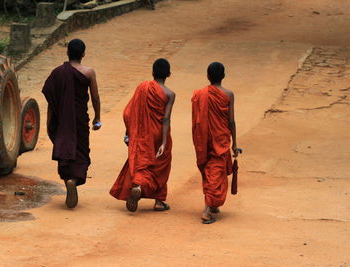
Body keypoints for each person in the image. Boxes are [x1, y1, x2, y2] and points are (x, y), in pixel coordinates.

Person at [110, 58, 175, 212]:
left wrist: (130, 132)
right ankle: (159, 201)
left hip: (142, 133)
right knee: (161, 164)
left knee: (142, 161)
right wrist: (164, 143)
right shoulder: (170, 94)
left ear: (153, 72)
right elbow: (166, 118)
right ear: (169, 74)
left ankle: (138, 185)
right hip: (159, 133)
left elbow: (128, 112)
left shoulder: (143, 87)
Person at [42, 39, 101, 209]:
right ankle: (74, 180)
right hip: (80, 119)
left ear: (67, 52)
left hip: (62, 120)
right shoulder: (89, 72)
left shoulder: (57, 72)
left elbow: (51, 98)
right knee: (81, 151)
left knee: (66, 148)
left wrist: (50, 121)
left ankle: (68, 178)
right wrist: (97, 117)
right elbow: (95, 97)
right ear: (83, 54)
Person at [191, 62, 239, 224]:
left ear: (208, 76)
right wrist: (234, 143)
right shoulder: (228, 94)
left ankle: (212, 205)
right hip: (221, 138)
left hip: (204, 139)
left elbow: (197, 119)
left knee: (211, 169)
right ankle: (207, 210)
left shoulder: (200, 94)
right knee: (216, 171)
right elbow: (231, 121)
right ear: (223, 76)